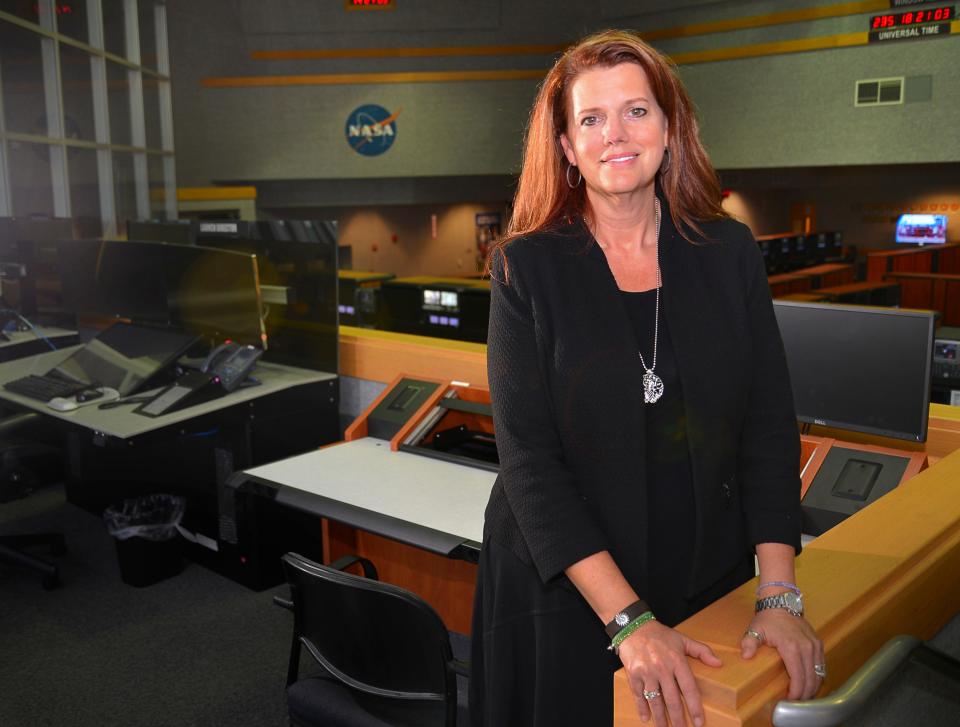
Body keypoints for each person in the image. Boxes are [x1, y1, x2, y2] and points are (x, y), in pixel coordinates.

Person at [470, 29, 825, 727]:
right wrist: (628, 620)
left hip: (702, 569)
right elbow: (529, 464)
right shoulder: (526, 268)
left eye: (636, 110)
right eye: (591, 119)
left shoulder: (727, 252)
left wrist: (778, 593)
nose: (616, 134)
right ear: (568, 147)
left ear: (670, 125)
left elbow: (767, 428)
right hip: (570, 586)